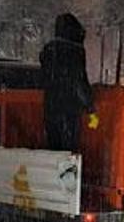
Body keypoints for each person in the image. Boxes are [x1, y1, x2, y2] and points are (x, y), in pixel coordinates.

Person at [39, 13, 93, 153]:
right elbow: (78, 80)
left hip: (51, 106)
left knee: (54, 147)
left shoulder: (48, 50)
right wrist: (90, 106)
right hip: (69, 108)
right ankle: (68, 173)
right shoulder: (75, 51)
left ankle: (54, 173)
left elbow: (44, 77)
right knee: (69, 151)